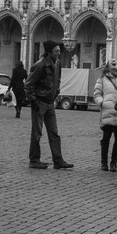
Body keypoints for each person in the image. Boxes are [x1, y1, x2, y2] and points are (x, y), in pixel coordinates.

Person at [24, 40, 73, 170]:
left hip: (50, 102)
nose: (59, 53)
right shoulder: (40, 65)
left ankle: (58, 160)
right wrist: (33, 100)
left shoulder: (57, 63)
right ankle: (34, 160)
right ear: (49, 52)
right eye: (56, 51)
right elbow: (28, 84)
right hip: (40, 102)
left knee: (54, 133)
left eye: (59, 51)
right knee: (37, 133)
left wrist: (56, 91)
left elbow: (58, 79)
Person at [93, 59, 117, 172]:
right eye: (111, 63)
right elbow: (97, 93)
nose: (114, 63)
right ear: (107, 67)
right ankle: (104, 162)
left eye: (115, 63)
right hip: (107, 111)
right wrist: (102, 102)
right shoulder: (102, 79)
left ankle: (114, 163)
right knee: (106, 138)